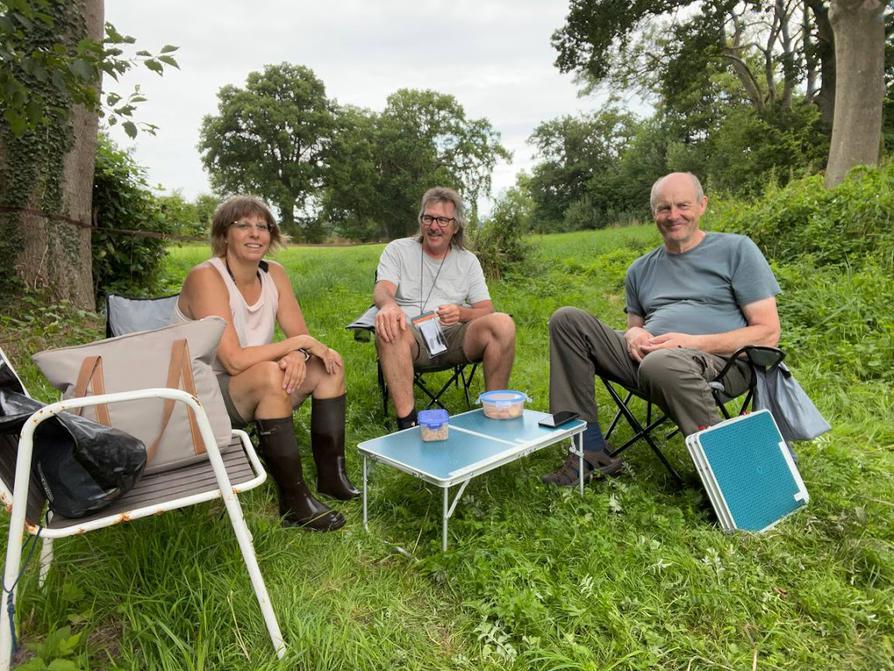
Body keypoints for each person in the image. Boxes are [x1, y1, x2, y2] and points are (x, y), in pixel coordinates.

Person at [542, 172, 781, 485]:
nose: (673, 215)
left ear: (702, 205)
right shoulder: (640, 269)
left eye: (682, 205)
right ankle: (589, 452)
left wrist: (688, 343)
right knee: (567, 319)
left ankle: (736, 479)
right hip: (651, 361)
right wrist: (635, 335)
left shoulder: (737, 250)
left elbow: (767, 332)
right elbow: (634, 327)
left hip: (722, 363)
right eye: (664, 208)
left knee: (662, 361)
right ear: (653, 213)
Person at [174, 195, 358, 531]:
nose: (255, 233)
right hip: (203, 397)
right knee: (272, 374)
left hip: (257, 379)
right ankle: (294, 500)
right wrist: (297, 346)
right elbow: (231, 360)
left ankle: (332, 476)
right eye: (242, 225)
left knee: (330, 364)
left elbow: (300, 336)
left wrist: (297, 353)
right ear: (223, 234)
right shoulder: (206, 277)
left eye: (262, 226)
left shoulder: (275, 274)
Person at [373, 187, 516, 428]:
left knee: (502, 323)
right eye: (428, 218)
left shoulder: (468, 261)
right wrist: (388, 305)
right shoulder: (398, 250)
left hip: (454, 335)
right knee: (390, 328)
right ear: (421, 220)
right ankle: (407, 424)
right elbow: (382, 289)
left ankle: (495, 412)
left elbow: (486, 310)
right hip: (410, 336)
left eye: (442, 219)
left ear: (455, 226)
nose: (434, 226)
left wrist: (462, 314)